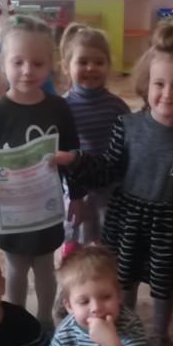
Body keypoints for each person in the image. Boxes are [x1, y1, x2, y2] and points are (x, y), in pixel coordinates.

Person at [56, 24, 173, 346]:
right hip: (127, 217)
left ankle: (158, 336)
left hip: (169, 223)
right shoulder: (126, 126)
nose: (167, 93)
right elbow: (109, 169)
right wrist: (77, 160)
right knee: (123, 279)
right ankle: (122, 329)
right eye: (159, 84)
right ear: (146, 84)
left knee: (163, 285)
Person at [0, 15, 84, 332]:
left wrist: (76, 192)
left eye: (37, 63)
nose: (27, 71)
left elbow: (74, 152)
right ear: (4, 63)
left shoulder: (59, 108)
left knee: (46, 267)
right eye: (17, 62)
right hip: (12, 211)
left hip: (47, 208)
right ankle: (17, 324)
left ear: (50, 65)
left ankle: (45, 321)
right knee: (16, 267)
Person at [59, 23, 130, 257]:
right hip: (76, 187)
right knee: (74, 241)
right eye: (82, 61)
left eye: (99, 62)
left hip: (109, 188)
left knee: (106, 244)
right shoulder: (62, 107)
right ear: (67, 66)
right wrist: (75, 193)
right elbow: (61, 154)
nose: (91, 68)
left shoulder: (117, 107)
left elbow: (127, 149)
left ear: (109, 66)